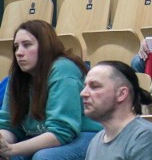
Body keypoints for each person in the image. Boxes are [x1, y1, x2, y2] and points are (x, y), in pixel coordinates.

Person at [0, 20, 101, 159]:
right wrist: (2, 144)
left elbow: (62, 132)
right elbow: (9, 125)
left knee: (44, 157)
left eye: (27, 45)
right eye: (16, 47)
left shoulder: (63, 69)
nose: (19, 53)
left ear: (45, 46)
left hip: (86, 135)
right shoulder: (16, 78)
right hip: (44, 138)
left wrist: (12, 149)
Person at [82, 61, 152, 159]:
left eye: (95, 86)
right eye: (85, 86)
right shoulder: (96, 141)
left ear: (121, 94)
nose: (83, 93)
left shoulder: (147, 138)